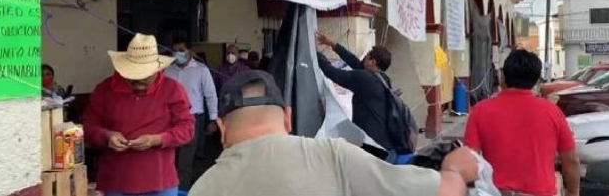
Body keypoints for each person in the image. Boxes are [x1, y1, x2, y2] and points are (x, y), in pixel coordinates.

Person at [189, 70, 478, 196]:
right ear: (288, 117)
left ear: (222, 127)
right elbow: (443, 192)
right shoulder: (330, 156)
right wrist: (454, 168)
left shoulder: (203, 188)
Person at [82, 33, 194, 196]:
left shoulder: (173, 89)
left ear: (157, 69)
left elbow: (187, 129)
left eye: (145, 74)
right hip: (115, 180)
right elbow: (87, 127)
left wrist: (157, 139)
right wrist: (107, 135)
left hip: (160, 180)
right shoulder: (105, 89)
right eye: (133, 74)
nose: (139, 79)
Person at [464, 49, 580, 196]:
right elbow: (571, 161)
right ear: (536, 80)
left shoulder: (480, 111)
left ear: (503, 77)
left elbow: (469, 160)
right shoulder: (552, 112)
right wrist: (573, 193)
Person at [315, 32, 415, 159]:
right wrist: (333, 45)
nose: (363, 60)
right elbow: (356, 62)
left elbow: (332, 73)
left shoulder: (365, 79)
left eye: (366, 57)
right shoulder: (383, 79)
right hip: (385, 146)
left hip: (372, 147)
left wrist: (315, 52)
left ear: (372, 62)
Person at [164, 39, 218, 193]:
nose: (177, 54)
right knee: (170, 157)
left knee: (185, 160)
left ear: (189, 51)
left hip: (193, 118)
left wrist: (213, 119)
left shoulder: (201, 70)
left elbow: (211, 95)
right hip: (170, 119)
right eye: (174, 50)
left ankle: (182, 190)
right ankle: (169, 187)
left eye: (181, 50)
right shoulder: (168, 71)